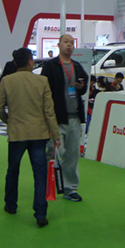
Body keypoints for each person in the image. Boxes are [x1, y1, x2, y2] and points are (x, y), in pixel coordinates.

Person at [0, 48, 60, 227]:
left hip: (16, 134)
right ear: (31, 62)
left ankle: (11, 205)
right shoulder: (42, 81)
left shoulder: (7, 81)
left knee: (12, 171)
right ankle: (40, 213)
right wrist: (55, 135)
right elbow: (49, 111)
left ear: (15, 63)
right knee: (40, 174)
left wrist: (9, 121)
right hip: (38, 134)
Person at [41, 34, 88, 203]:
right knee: (51, 153)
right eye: (66, 42)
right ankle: (45, 186)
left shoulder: (77, 66)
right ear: (58, 45)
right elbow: (44, 91)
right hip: (56, 117)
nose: (69, 45)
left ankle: (70, 188)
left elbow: (84, 87)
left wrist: (81, 87)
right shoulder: (50, 66)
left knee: (72, 155)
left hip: (74, 116)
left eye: (71, 43)